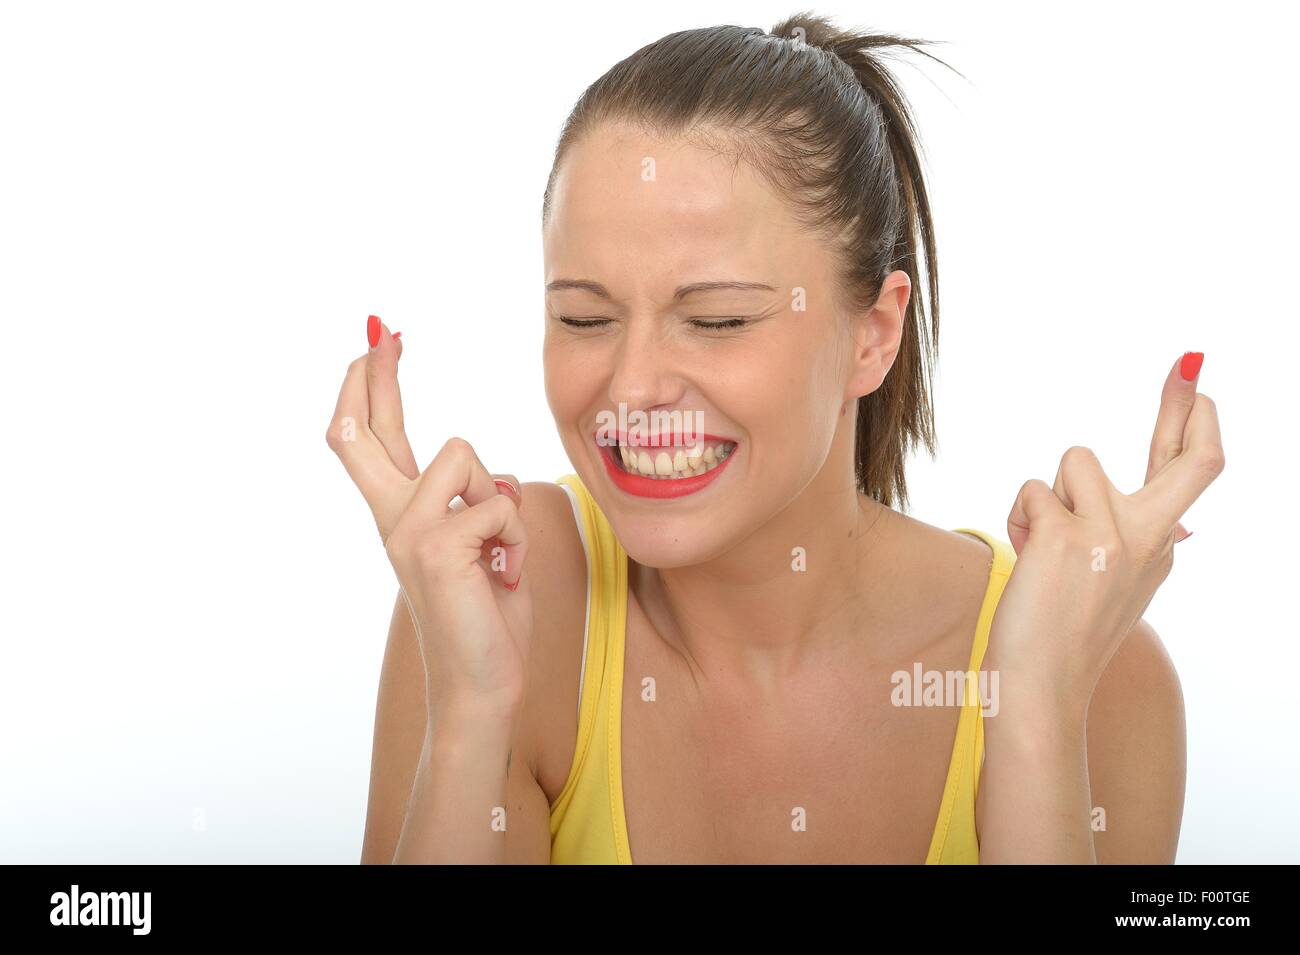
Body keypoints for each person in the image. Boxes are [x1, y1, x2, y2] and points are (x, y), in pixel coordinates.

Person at [328, 13, 1223, 864]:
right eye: (585, 315)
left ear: (873, 333)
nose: (632, 389)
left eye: (716, 320)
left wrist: (1032, 713)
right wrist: (473, 713)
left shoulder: (1101, 675)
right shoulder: (495, 609)